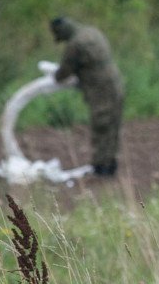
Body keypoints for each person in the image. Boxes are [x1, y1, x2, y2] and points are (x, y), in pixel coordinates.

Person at [50, 16, 124, 176]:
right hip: (115, 83)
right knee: (113, 125)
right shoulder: (91, 32)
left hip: (100, 89)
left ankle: (102, 167)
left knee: (102, 126)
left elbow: (62, 74)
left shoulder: (75, 44)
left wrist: (54, 74)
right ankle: (111, 163)